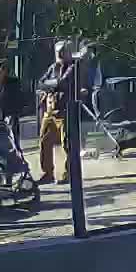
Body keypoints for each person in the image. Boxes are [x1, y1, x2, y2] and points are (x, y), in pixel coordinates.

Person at [35, 39, 86, 184]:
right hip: (50, 110)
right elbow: (40, 82)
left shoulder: (73, 67)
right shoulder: (53, 67)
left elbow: (61, 83)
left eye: (62, 52)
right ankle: (47, 174)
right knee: (44, 141)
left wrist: (49, 85)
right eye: (58, 52)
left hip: (66, 110)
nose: (59, 55)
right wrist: (51, 86)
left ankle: (69, 173)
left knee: (67, 144)